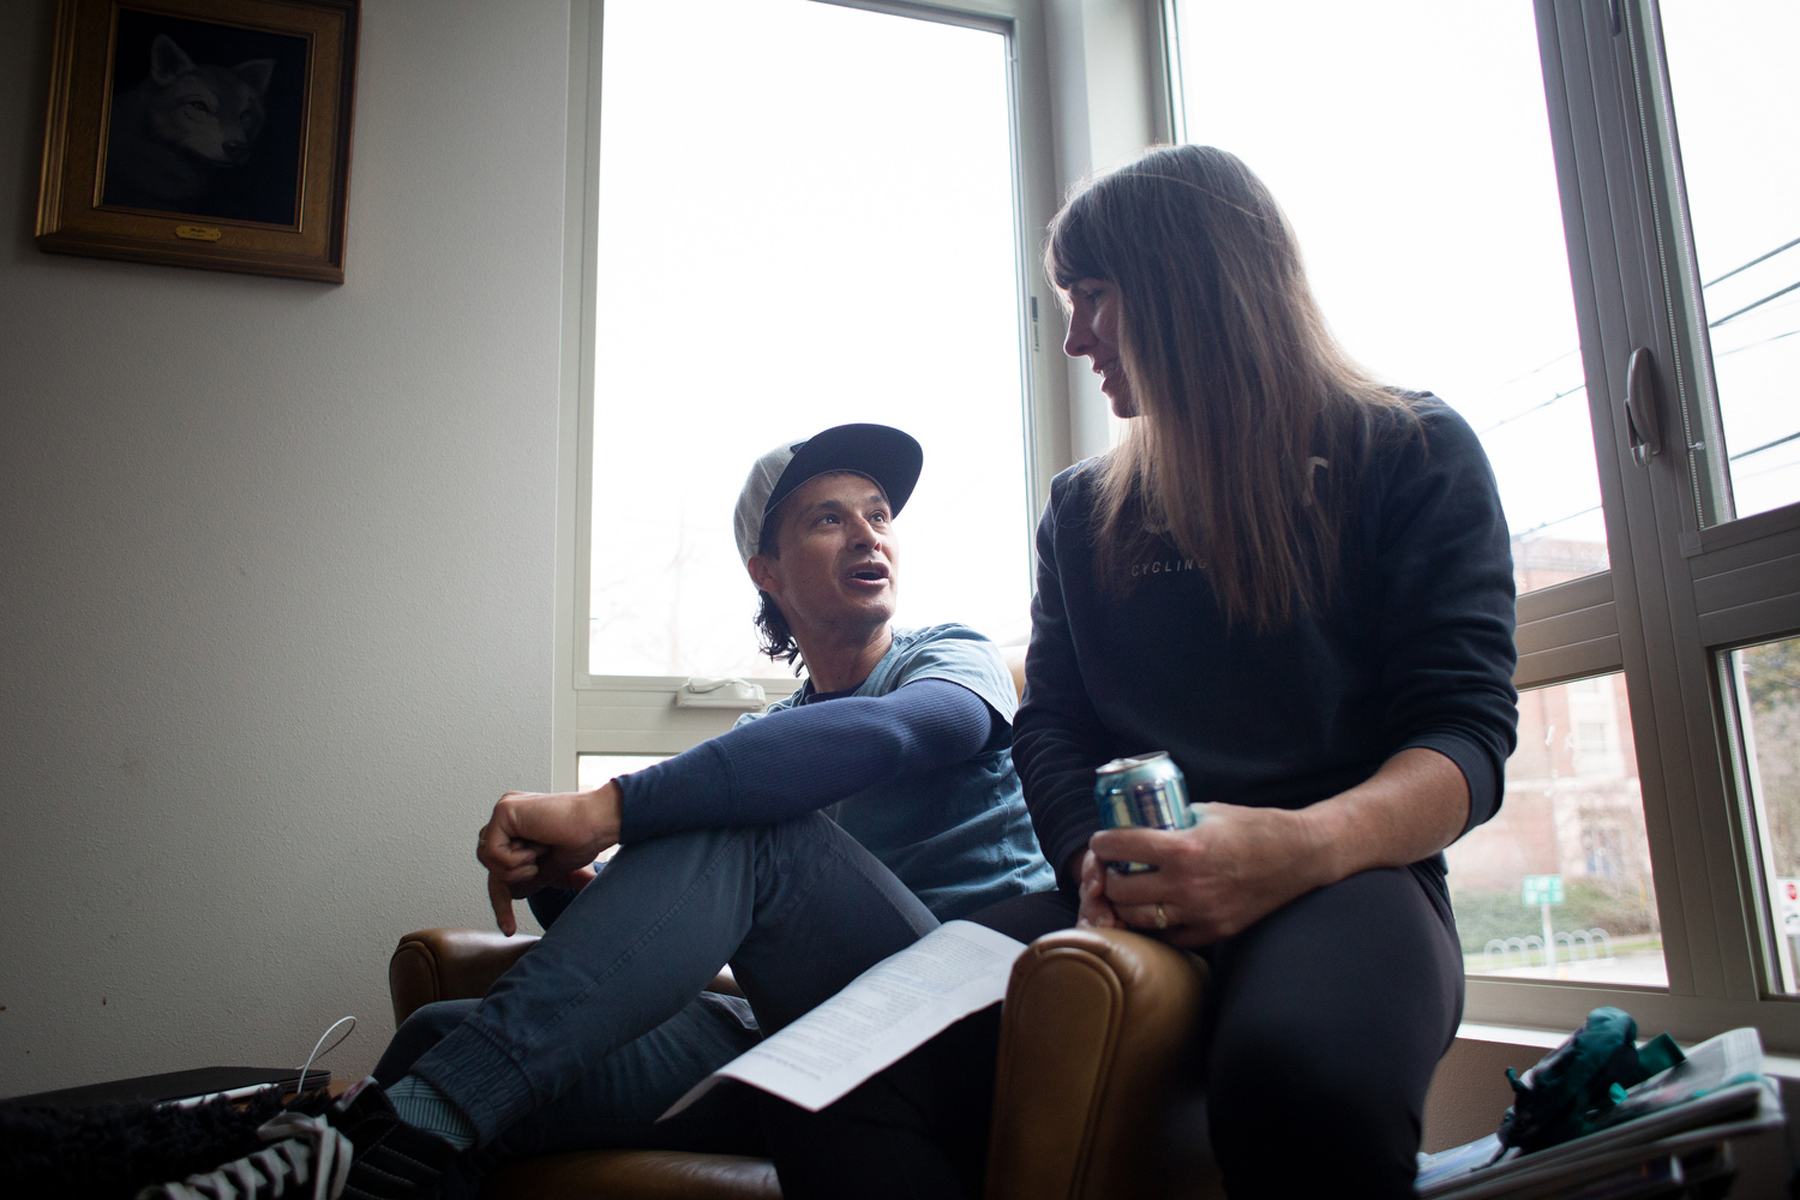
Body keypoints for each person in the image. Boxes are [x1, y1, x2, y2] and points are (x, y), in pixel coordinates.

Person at [767, 146, 1519, 1200]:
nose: (1073, 338)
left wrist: (1299, 846)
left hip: (1351, 884)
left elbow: (1465, 738)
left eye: (1091, 298)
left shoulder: (1411, 452)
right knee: (828, 1073)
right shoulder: (1081, 512)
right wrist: (1098, 866)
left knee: (1299, 1082)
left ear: (1187, 284)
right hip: (1120, 893)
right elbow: (1056, 727)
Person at [140, 423, 1052, 1200]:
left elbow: (902, 732)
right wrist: (561, 879)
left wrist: (613, 804)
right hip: (799, 1027)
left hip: (953, 1015)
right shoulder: (768, 732)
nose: (869, 535)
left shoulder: (949, 655)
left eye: (880, 515)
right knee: (436, 1035)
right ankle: (346, 1163)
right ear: (765, 569)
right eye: (831, 516)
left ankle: (363, 1138)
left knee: (756, 814)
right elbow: (642, 931)